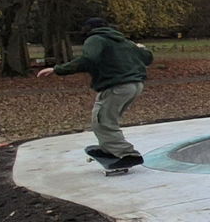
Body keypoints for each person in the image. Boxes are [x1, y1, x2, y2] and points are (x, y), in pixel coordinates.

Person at [36, 17, 153, 168]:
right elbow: (147, 58)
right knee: (108, 119)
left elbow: (89, 60)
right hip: (135, 85)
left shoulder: (95, 39)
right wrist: (142, 49)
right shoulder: (124, 41)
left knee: (102, 120)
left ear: (88, 29)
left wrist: (57, 69)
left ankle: (126, 154)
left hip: (117, 86)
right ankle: (110, 149)